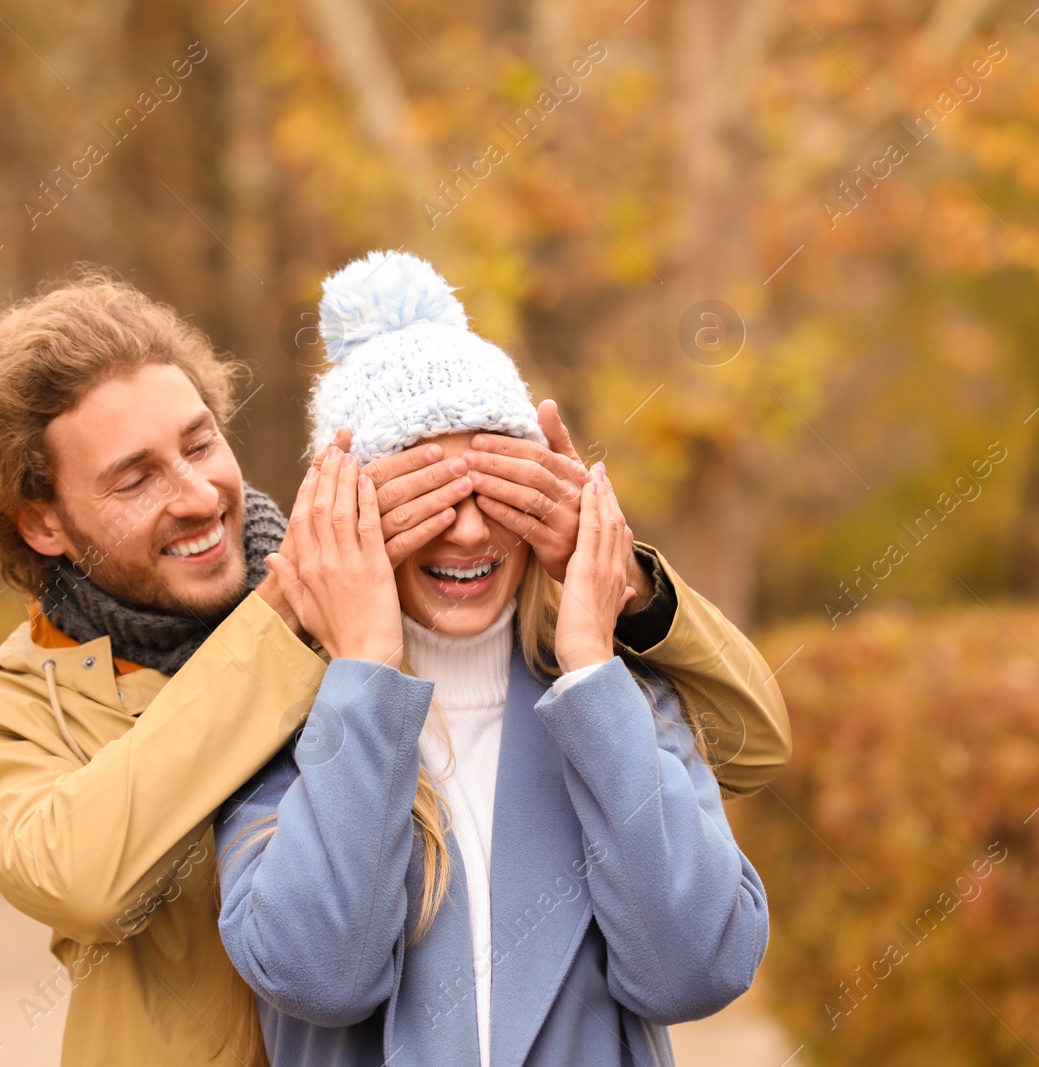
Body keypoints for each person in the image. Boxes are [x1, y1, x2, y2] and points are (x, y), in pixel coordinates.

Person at [0, 264, 789, 1066]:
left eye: (200, 443)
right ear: (42, 521)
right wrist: (300, 617)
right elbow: (83, 877)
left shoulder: (442, 622)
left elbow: (748, 746)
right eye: (135, 477)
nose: (196, 495)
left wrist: (624, 584)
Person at [217, 251, 769, 1066]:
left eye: (493, 490)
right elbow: (321, 975)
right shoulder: (283, 721)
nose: (469, 533)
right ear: (347, 513)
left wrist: (588, 662)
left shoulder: (626, 703)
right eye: (426, 496)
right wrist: (365, 666)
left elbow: (697, 968)